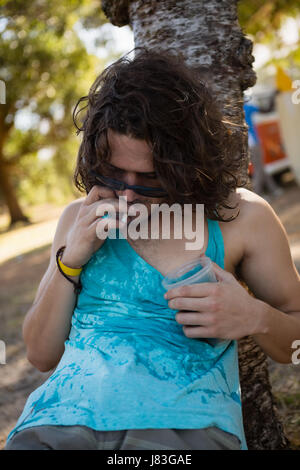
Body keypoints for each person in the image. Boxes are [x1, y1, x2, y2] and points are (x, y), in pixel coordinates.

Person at [5, 48, 300, 451]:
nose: (127, 194)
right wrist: (71, 260)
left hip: (180, 429)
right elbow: (40, 355)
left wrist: (255, 317)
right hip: (57, 422)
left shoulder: (241, 217)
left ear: (187, 164)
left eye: (149, 179)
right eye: (112, 172)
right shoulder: (80, 217)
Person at [244, 95, 283, 197]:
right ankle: (257, 195)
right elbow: (267, 109)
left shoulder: (234, 110)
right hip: (253, 142)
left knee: (260, 167)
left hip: (246, 144)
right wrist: (273, 96)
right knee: (258, 169)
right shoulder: (248, 107)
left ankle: (274, 189)